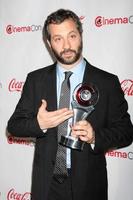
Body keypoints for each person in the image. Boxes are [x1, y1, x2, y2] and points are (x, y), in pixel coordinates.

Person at [7, 9, 133, 200]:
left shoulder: (107, 82)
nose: (66, 45)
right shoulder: (36, 80)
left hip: (89, 184)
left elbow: (126, 132)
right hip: (46, 185)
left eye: (71, 36)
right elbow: (14, 126)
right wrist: (39, 124)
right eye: (58, 39)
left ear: (80, 36)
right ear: (49, 43)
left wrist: (94, 137)